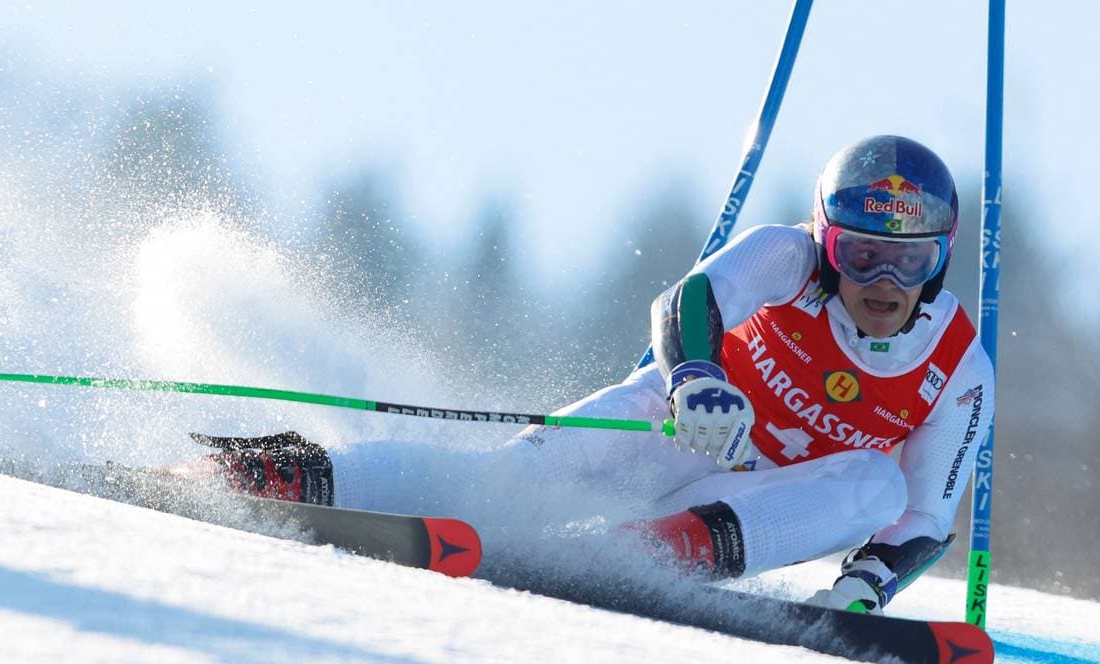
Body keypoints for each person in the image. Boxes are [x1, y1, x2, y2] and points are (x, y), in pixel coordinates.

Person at [203, 135, 994, 615]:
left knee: (880, 486)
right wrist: (696, 377)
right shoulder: (784, 257)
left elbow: (925, 516)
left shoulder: (961, 368)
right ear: (827, 242)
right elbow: (688, 299)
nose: (883, 282)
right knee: (500, 481)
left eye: (910, 259)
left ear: (940, 256)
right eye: (861, 253)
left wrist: (867, 587)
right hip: (676, 432)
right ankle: (284, 471)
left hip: (751, 507)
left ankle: (643, 556)